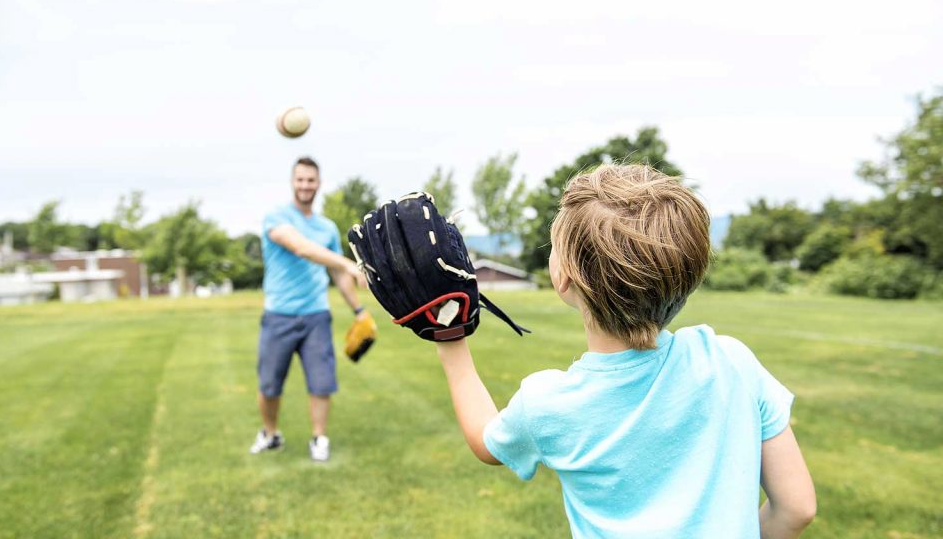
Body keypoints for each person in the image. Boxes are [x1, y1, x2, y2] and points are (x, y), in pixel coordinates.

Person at [434, 165, 817, 538]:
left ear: (562, 275)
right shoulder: (730, 360)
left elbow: (487, 443)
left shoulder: (549, 404)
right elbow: (797, 509)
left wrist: (450, 337)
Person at [250, 156, 366, 462]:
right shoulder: (276, 217)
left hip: (316, 315)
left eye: (311, 180)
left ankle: (319, 438)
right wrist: (347, 263)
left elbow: (338, 275)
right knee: (270, 385)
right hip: (279, 315)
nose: (305, 185)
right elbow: (301, 248)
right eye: (300, 179)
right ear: (292, 182)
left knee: (321, 382)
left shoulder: (327, 227)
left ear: (319, 184)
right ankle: (271, 433)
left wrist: (359, 309)